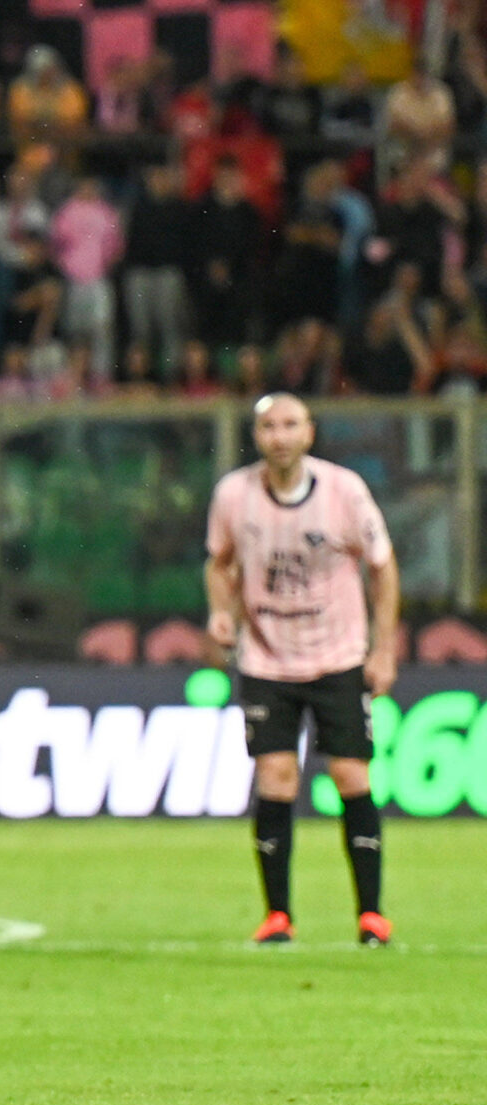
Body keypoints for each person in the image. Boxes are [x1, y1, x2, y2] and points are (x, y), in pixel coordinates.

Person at [204, 394, 399, 948]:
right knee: (276, 779)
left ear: (309, 433)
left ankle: (371, 915)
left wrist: (383, 651)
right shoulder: (233, 496)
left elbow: (383, 570)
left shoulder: (344, 492)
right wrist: (222, 612)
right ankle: (278, 917)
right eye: (269, 427)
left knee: (350, 777)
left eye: (290, 425)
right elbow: (218, 563)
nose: (280, 436)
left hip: (337, 656)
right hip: (267, 658)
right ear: (257, 436)